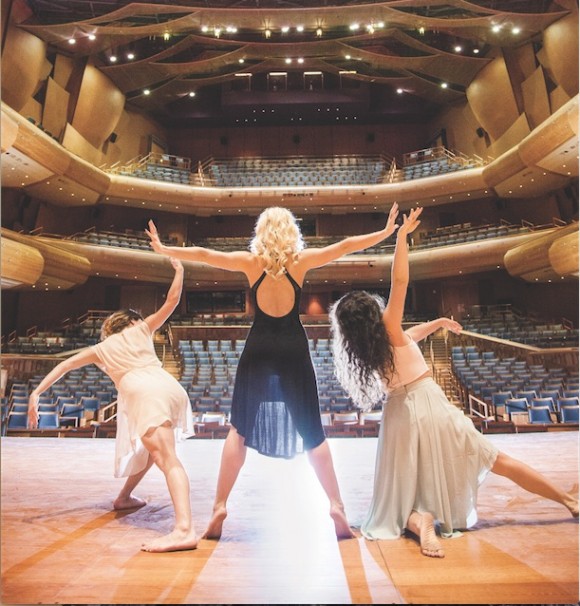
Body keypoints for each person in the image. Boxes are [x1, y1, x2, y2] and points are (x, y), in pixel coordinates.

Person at [329, 207, 578, 558]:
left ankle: (421, 520)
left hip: (398, 416)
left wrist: (436, 323)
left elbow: (408, 337)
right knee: (495, 458)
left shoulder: (373, 347)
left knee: (405, 497)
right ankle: (568, 500)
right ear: (372, 310)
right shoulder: (388, 326)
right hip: (428, 404)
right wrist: (401, 238)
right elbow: (399, 282)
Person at [146, 204, 400, 539]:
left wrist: (166, 249)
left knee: (238, 430)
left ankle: (220, 505)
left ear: (261, 233)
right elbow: (344, 246)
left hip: (259, 348)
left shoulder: (251, 264)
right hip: (294, 347)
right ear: (292, 231)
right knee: (313, 432)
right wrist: (383, 233)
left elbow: (205, 254)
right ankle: (336, 505)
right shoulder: (301, 262)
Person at [28, 258, 198, 553]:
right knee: (149, 451)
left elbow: (63, 366)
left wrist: (36, 395)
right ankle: (124, 497)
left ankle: (184, 529)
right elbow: (172, 300)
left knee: (168, 460)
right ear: (131, 322)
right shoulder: (141, 329)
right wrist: (180, 270)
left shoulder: (99, 349)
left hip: (145, 392)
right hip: (168, 386)